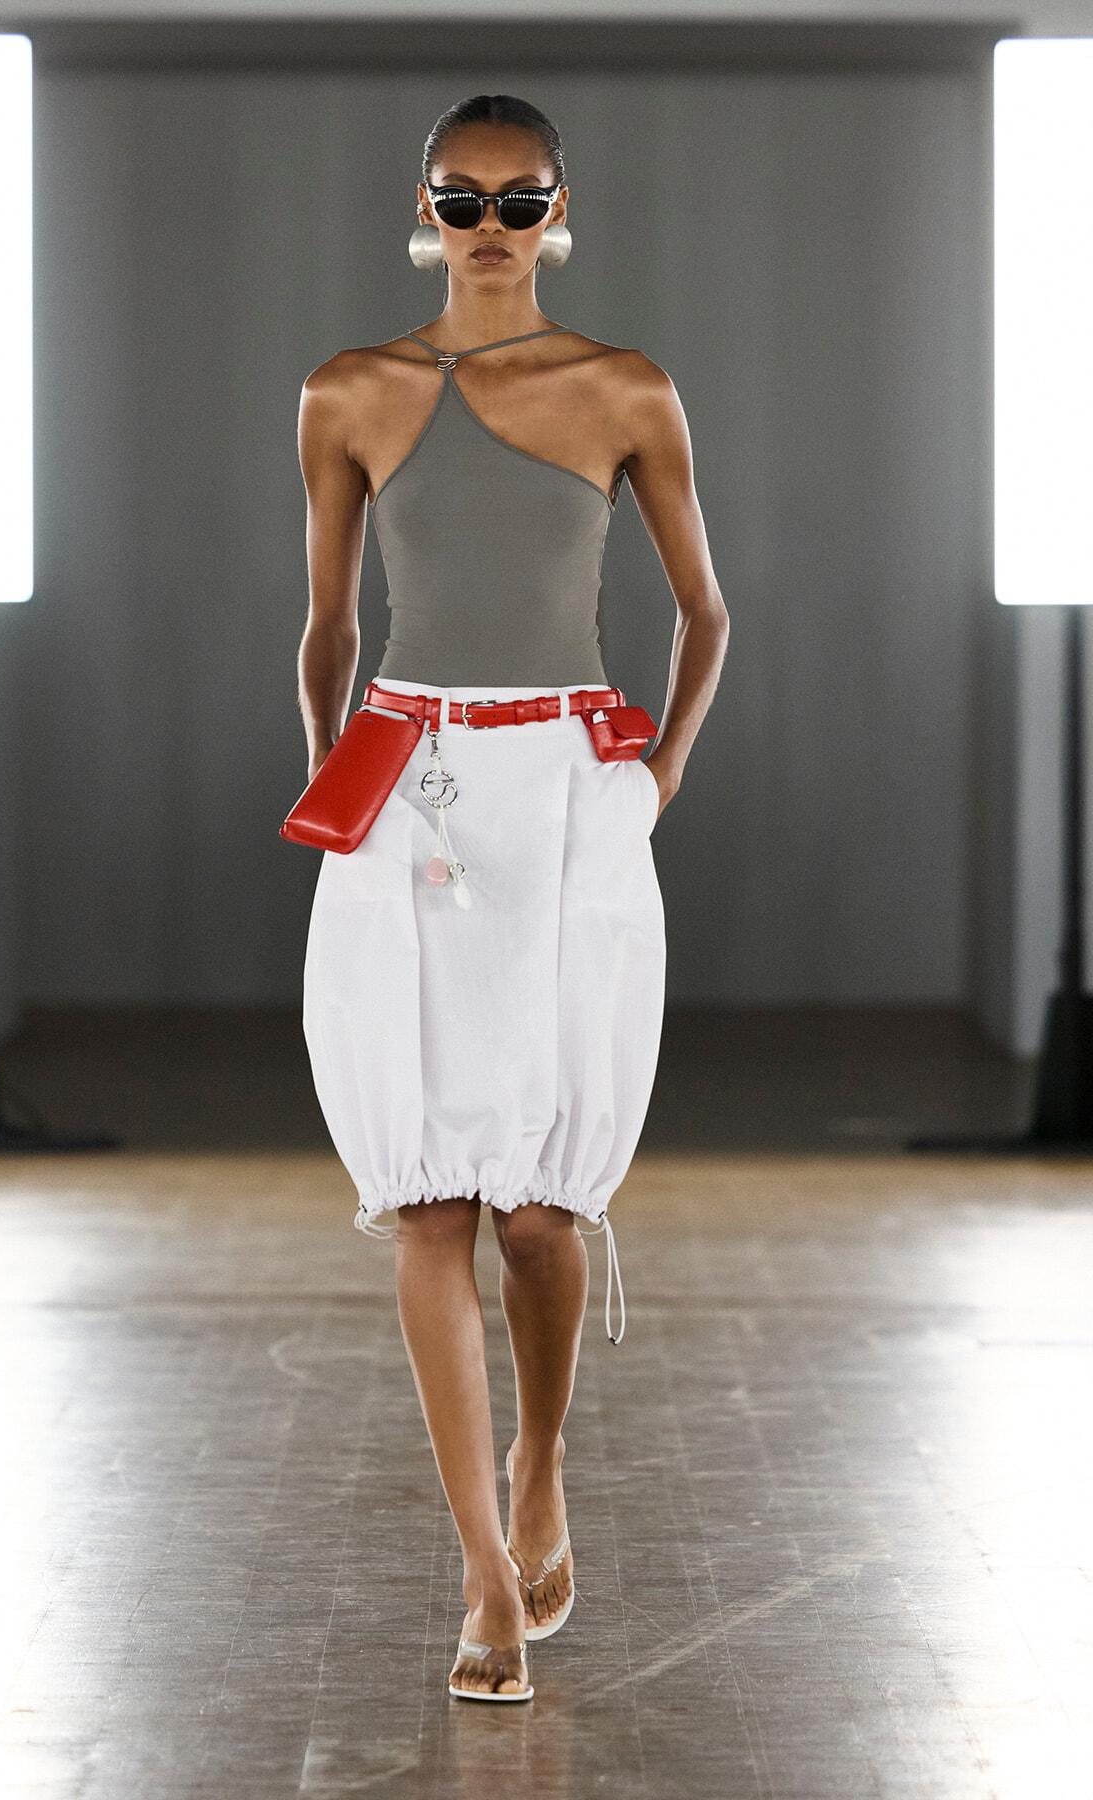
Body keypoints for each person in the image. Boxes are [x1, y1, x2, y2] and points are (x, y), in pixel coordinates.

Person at [296, 94, 728, 1703]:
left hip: (566, 789)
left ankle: (545, 1466)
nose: (488, 224)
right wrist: (337, 789)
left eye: (517, 198)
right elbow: (328, 628)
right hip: (405, 784)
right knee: (425, 1196)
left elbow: (704, 610)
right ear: (425, 202)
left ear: (557, 210)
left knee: (541, 1209)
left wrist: (654, 781)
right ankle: (484, 1574)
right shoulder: (351, 390)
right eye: (462, 199)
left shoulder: (625, 387)